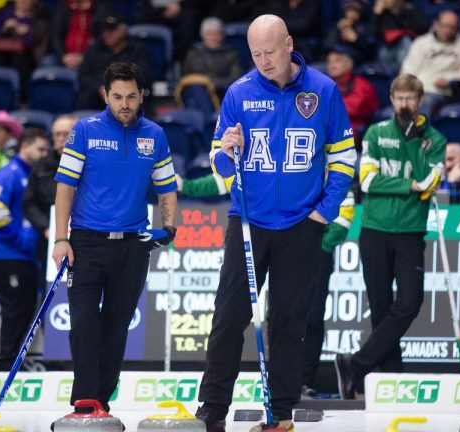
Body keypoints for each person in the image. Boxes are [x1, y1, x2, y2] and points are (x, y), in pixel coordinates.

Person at [194, 15, 356, 432]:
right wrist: (227, 156)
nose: (264, 61)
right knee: (229, 318)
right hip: (248, 221)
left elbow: (344, 160)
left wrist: (323, 212)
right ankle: (211, 413)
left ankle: (280, 415)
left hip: (302, 224)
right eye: (256, 54)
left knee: (288, 321)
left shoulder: (323, 90)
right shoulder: (239, 92)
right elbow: (217, 160)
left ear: (288, 44)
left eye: (270, 51)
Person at [51, 61, 178, 412]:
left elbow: (166, 189)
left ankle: (100, 403)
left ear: (142, 96)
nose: (124, 104)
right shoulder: (84, 130)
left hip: (133, 246)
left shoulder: (155, 135)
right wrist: (61, 238)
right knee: (84, 326)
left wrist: (168, 227)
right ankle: (83, 402)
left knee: (117, 328)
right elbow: (65, 187)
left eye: (131, 96)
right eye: (117, 96)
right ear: (105, 95)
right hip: (86, 244)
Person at [334, 74, 446, 400]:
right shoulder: (377, 132)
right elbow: (367, 181)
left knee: (410, 302)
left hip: (410, 231)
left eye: (410, 98)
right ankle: (392, 379)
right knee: (381, 308)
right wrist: (408, 185)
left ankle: (355, 366)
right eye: (399, 98)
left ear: (420, 101)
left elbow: (429, 185)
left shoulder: (434, 140)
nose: (404, 104)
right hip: (374, 229)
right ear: (392, 99)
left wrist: (412, 144)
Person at [0, 128, 50, 371]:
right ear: (25, 146)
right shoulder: (9, 173)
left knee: (23, 309)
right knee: (15, 310)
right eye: (40, 149)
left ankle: (11, 363)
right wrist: (20, 238)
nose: (44, 154)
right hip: (6, 254)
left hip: (22, 256)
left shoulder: (29, 173)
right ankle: (5, 365)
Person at [301, 187, 355, 399]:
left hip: (318, 253)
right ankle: (278, 379)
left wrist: (321, 246)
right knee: (281, 314)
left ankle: (305, 381)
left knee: (313, 317)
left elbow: (344, 219)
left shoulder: (338, 171)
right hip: (287, 247)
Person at [23, 114, 78, 290]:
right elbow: (29, 203)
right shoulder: (41, 166)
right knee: (52, 291)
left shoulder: (91, 163)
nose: (61, 139)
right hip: (50, 243)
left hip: (86, 237)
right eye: (57, 134)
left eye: (66, 134)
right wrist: (47, 227)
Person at [73, 12, 152, 111]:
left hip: (127, 94)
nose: (107, 34)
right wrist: (99, 87)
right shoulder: (94, 49)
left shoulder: (137, 50)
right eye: (105, 30)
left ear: (123, 30)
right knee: (84, 99)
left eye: (112, 30)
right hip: (98, 96)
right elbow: (83, 76)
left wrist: (120, 88)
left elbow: (145, 76)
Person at [400, 10, 460, 115]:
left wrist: (449, 79)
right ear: (436, 24)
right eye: (445, 26)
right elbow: (408, 69)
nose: (448, 31)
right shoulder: (421, 42)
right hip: (418, 90)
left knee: (422, 106)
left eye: (452, 27)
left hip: (441, 92)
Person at [0, 0, 50, 100]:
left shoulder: (40, 18)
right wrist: (4, 28)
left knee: (19, 60)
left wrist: (28, 32)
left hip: (26, 57)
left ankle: (19, 98)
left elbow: (39, 42)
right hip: (0, 54)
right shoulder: (0, 15)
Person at [326, 45, 379, 141]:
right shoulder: (324, 85)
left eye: (337, 61)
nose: (332, 66)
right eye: (329, 62)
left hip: (354, 136)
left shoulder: (363, 86)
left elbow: (357, 108)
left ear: (350, 64)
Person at [181, 17, 242, 95]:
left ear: (222, 36)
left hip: (222, 91)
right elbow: (185, 79)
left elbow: (236, 80)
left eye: (217, 34)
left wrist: (211, 82)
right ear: (203, 36)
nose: (214, 38)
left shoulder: (231, 54)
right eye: (210, 34)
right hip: (198, 93)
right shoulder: (193, 54)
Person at [372, 0, 428, 73]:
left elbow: (423, 29)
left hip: (406, 49)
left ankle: (403, 72)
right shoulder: (382, 15)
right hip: (386, 50)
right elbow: (371, 35)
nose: (384, 1)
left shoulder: (410, 12)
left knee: (405, 40)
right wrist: (376, 15)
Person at [324, 0, 376, 65]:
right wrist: (336, 30)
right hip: (335, 59)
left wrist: (356, 39)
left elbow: (370, 52)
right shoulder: (340, 25)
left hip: (357, 61)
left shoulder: (367, 26)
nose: (352, 14)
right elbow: (328, 46)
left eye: (355, 11)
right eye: (349, 10)